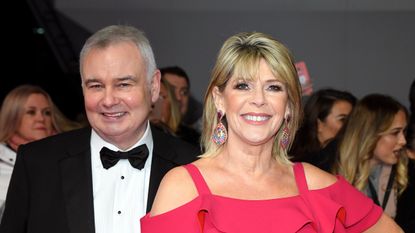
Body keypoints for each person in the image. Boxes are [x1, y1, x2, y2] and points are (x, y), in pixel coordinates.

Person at [141, 32, 402, 232]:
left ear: (288, 106)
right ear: (219, 99)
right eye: (243, 86)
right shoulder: (184, 187)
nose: (259, 100)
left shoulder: (317, 186)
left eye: (274, 87)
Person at [0, 25, 199, 233]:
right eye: (96, 86)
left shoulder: (194, 167)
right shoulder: (37, 164)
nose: (109, 100)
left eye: (123, 84)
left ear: (154, 86)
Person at [0, 84, 81, 215]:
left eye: (47, 113)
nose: (41, 118)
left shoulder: (73, 157)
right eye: (31, 112)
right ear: (12, 116)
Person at [334, 94, 408, 219]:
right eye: (395, 132)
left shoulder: (408, 172)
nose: (403, 140)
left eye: (404, 132)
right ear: (370, 134)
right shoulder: (328, 172)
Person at [290, 88, 356, 171]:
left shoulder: (352, 162)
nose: (350, 126)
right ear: (319, 124)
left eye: (353, 121)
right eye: (343, 119)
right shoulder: (301, 166)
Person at [160, 66, 201, 145]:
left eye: (184, 92)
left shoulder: (195, 140)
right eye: (172, 90)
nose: (178, 98)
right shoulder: (145, 132)